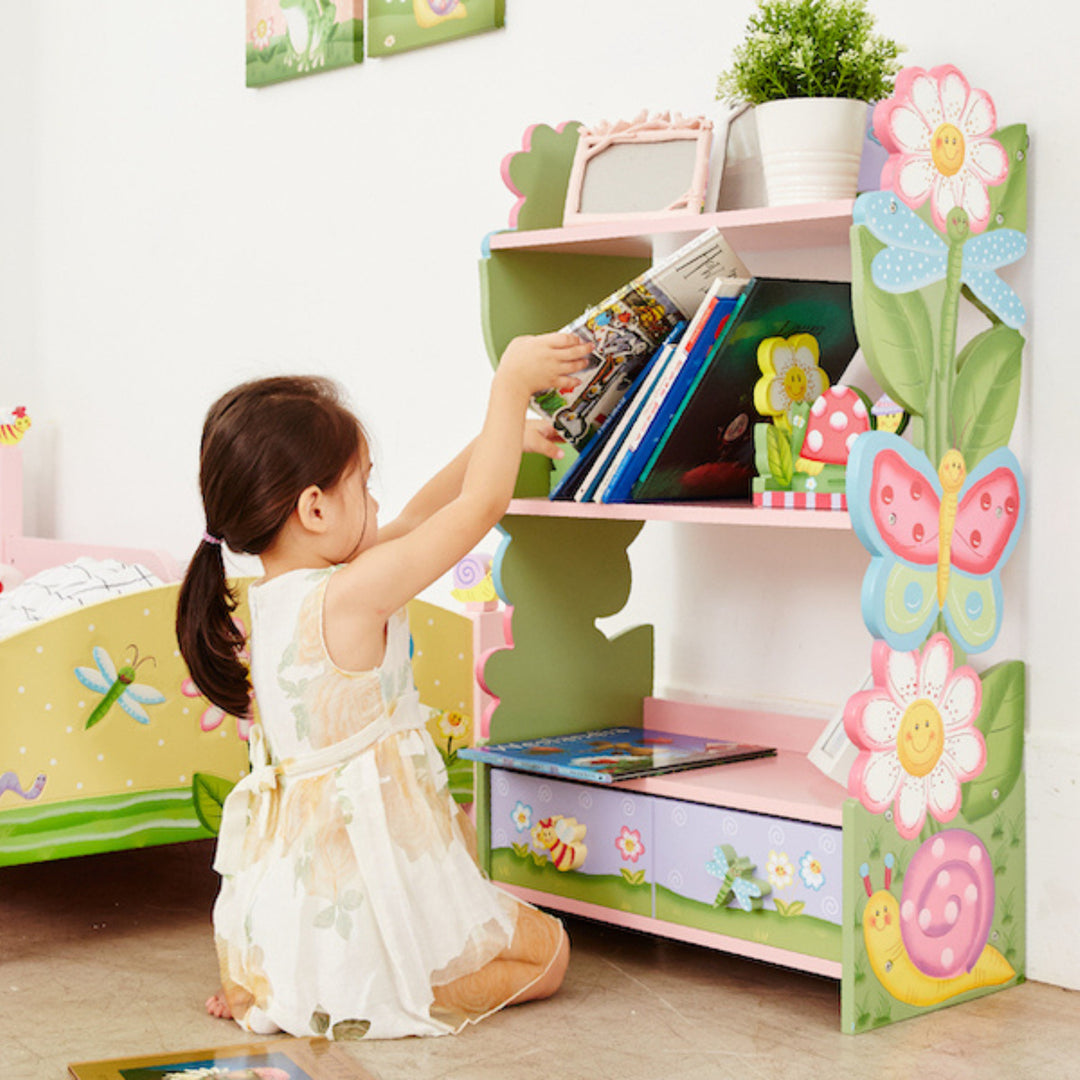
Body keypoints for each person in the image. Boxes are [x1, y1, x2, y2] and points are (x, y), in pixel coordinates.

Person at [176, 332, 591, 1039]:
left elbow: (420, 518)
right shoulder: (354, 591)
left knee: (470, 930)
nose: (376, 500)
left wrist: (500, 437)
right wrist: (510, 384)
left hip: (308, 894)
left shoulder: (281, 593)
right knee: (550, 954)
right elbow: (477, 510)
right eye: (363, 483)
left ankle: (290, 982)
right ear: (314, 508)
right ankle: (364, 990)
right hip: (374, 877)